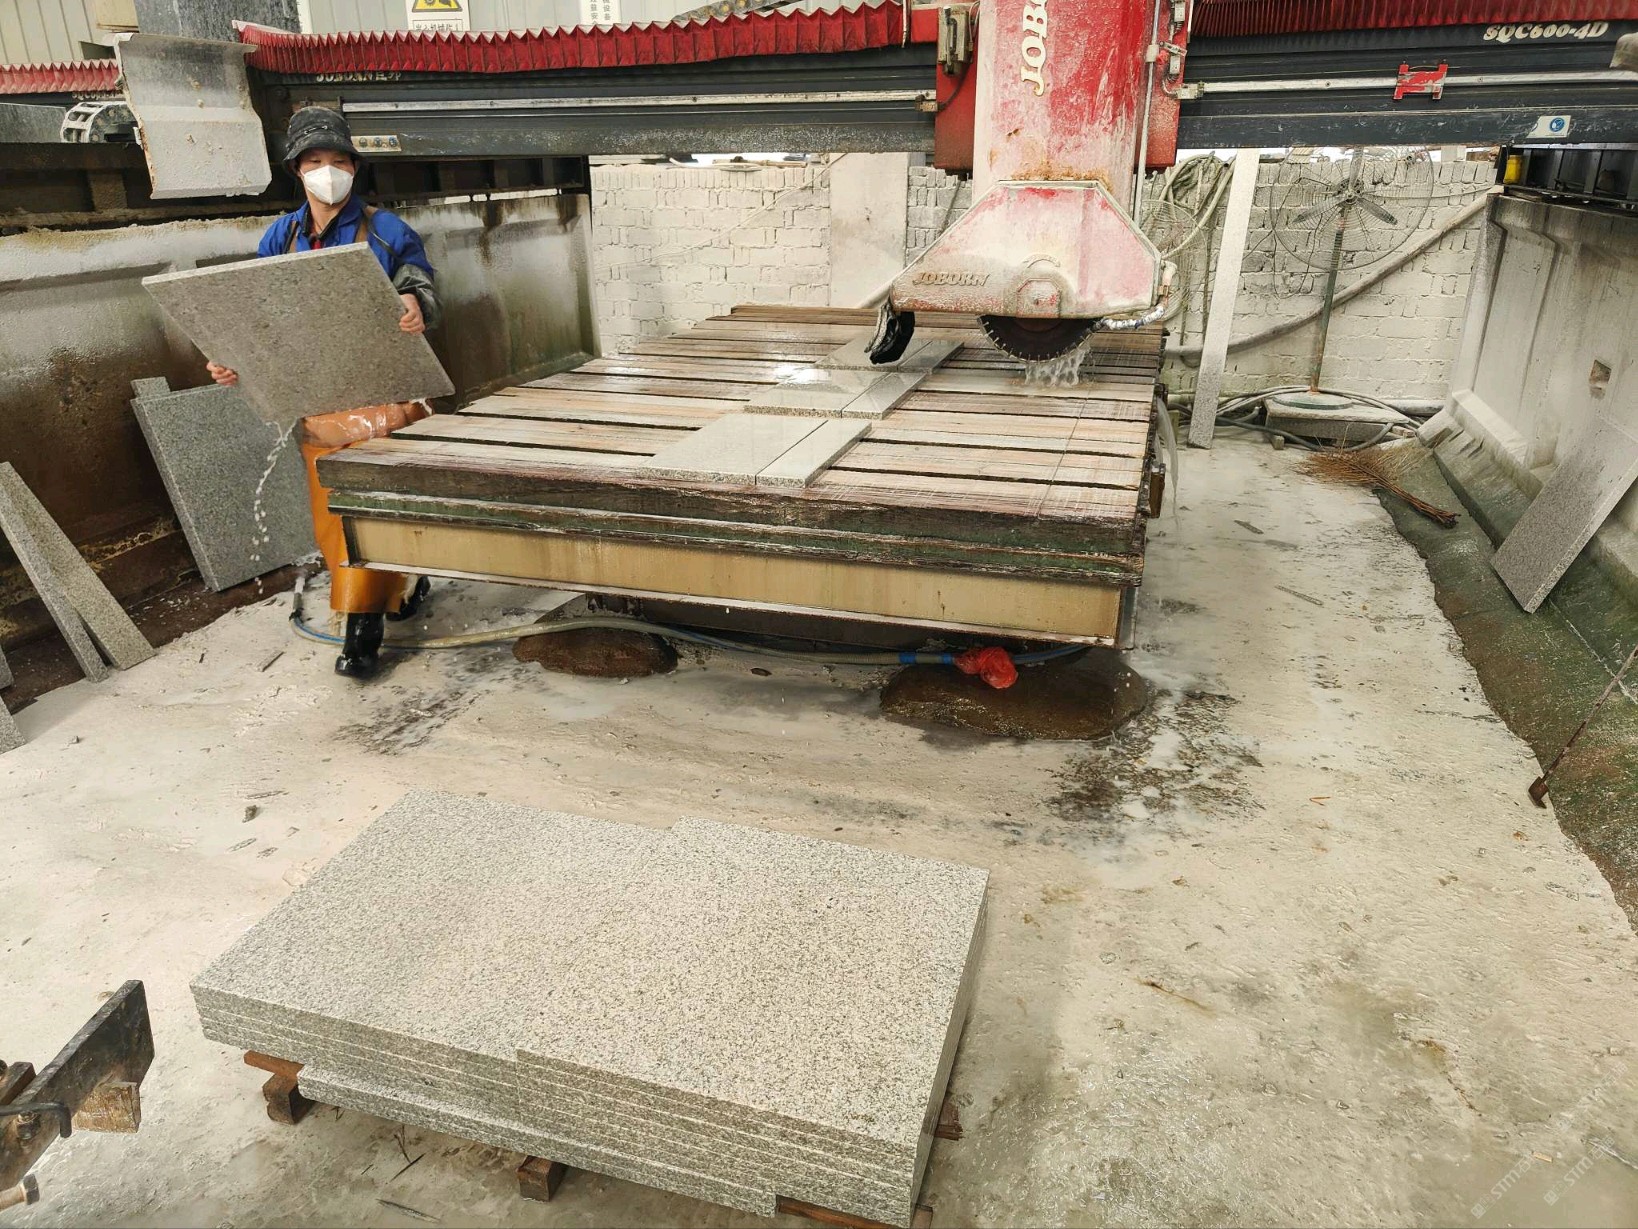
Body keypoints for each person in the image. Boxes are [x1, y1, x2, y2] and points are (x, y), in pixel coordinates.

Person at [206, 106, 442, 680]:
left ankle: (368, 620)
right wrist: (234, 362)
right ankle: (384, 597)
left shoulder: (388, 231)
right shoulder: (281, 236)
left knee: (383, 504)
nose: (327, 171)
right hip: (321, 400)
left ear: (354, 168)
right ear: (298, 170)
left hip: (385, 393)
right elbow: (258, 316)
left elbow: (421, 285)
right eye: (315, 161)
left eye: (338, 160)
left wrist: (415, 306)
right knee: (334, 512)